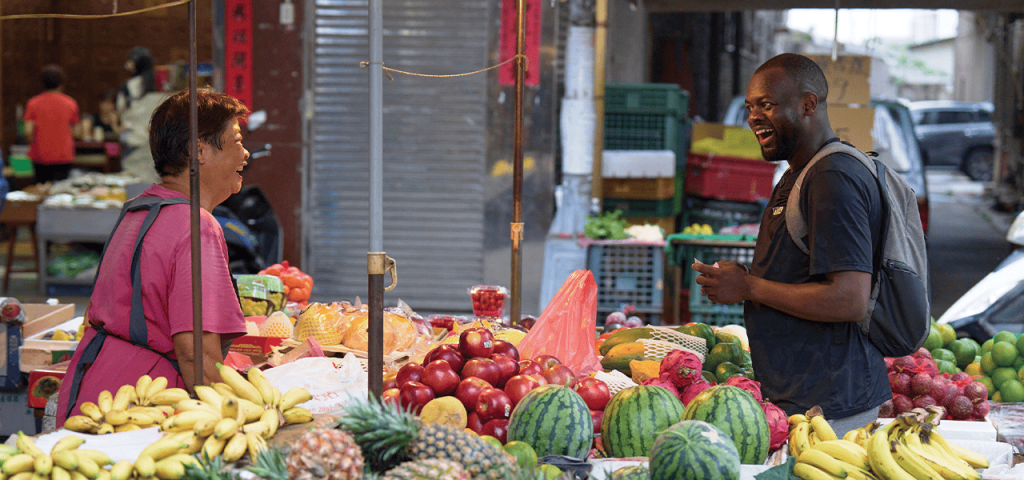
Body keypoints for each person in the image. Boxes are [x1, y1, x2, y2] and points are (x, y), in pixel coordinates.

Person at [691, 53, 889, 437]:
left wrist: (748, 286)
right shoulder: (801, 172)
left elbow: (849, 298)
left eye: (767, 104)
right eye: (750, 107)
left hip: (831, 408)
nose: (753, 117)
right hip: (804, 397)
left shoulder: (833, 177)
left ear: (808, 104)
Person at [57, 89, 251, 427]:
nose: (245, 154)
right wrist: (240, 420)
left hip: (96, 393)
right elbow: (196, 357)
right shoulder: (197, 226)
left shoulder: (139, 209)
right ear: (198, 151)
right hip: (144, 409)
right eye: (236, 141)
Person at [111, 47, 169, 185]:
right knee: (155, 182)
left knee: (132, 182)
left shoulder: (128, 86)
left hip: (133, 141)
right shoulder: (163, 85)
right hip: (157, 143)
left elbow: (120, 110)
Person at [24, 65, 80, 183]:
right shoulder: (71, 103)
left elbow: (28, 131)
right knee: (60, 193)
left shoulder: (32, 103)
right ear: (61, 83)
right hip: (64, 156)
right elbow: (77, 131)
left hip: (39, 155)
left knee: (41, 190)